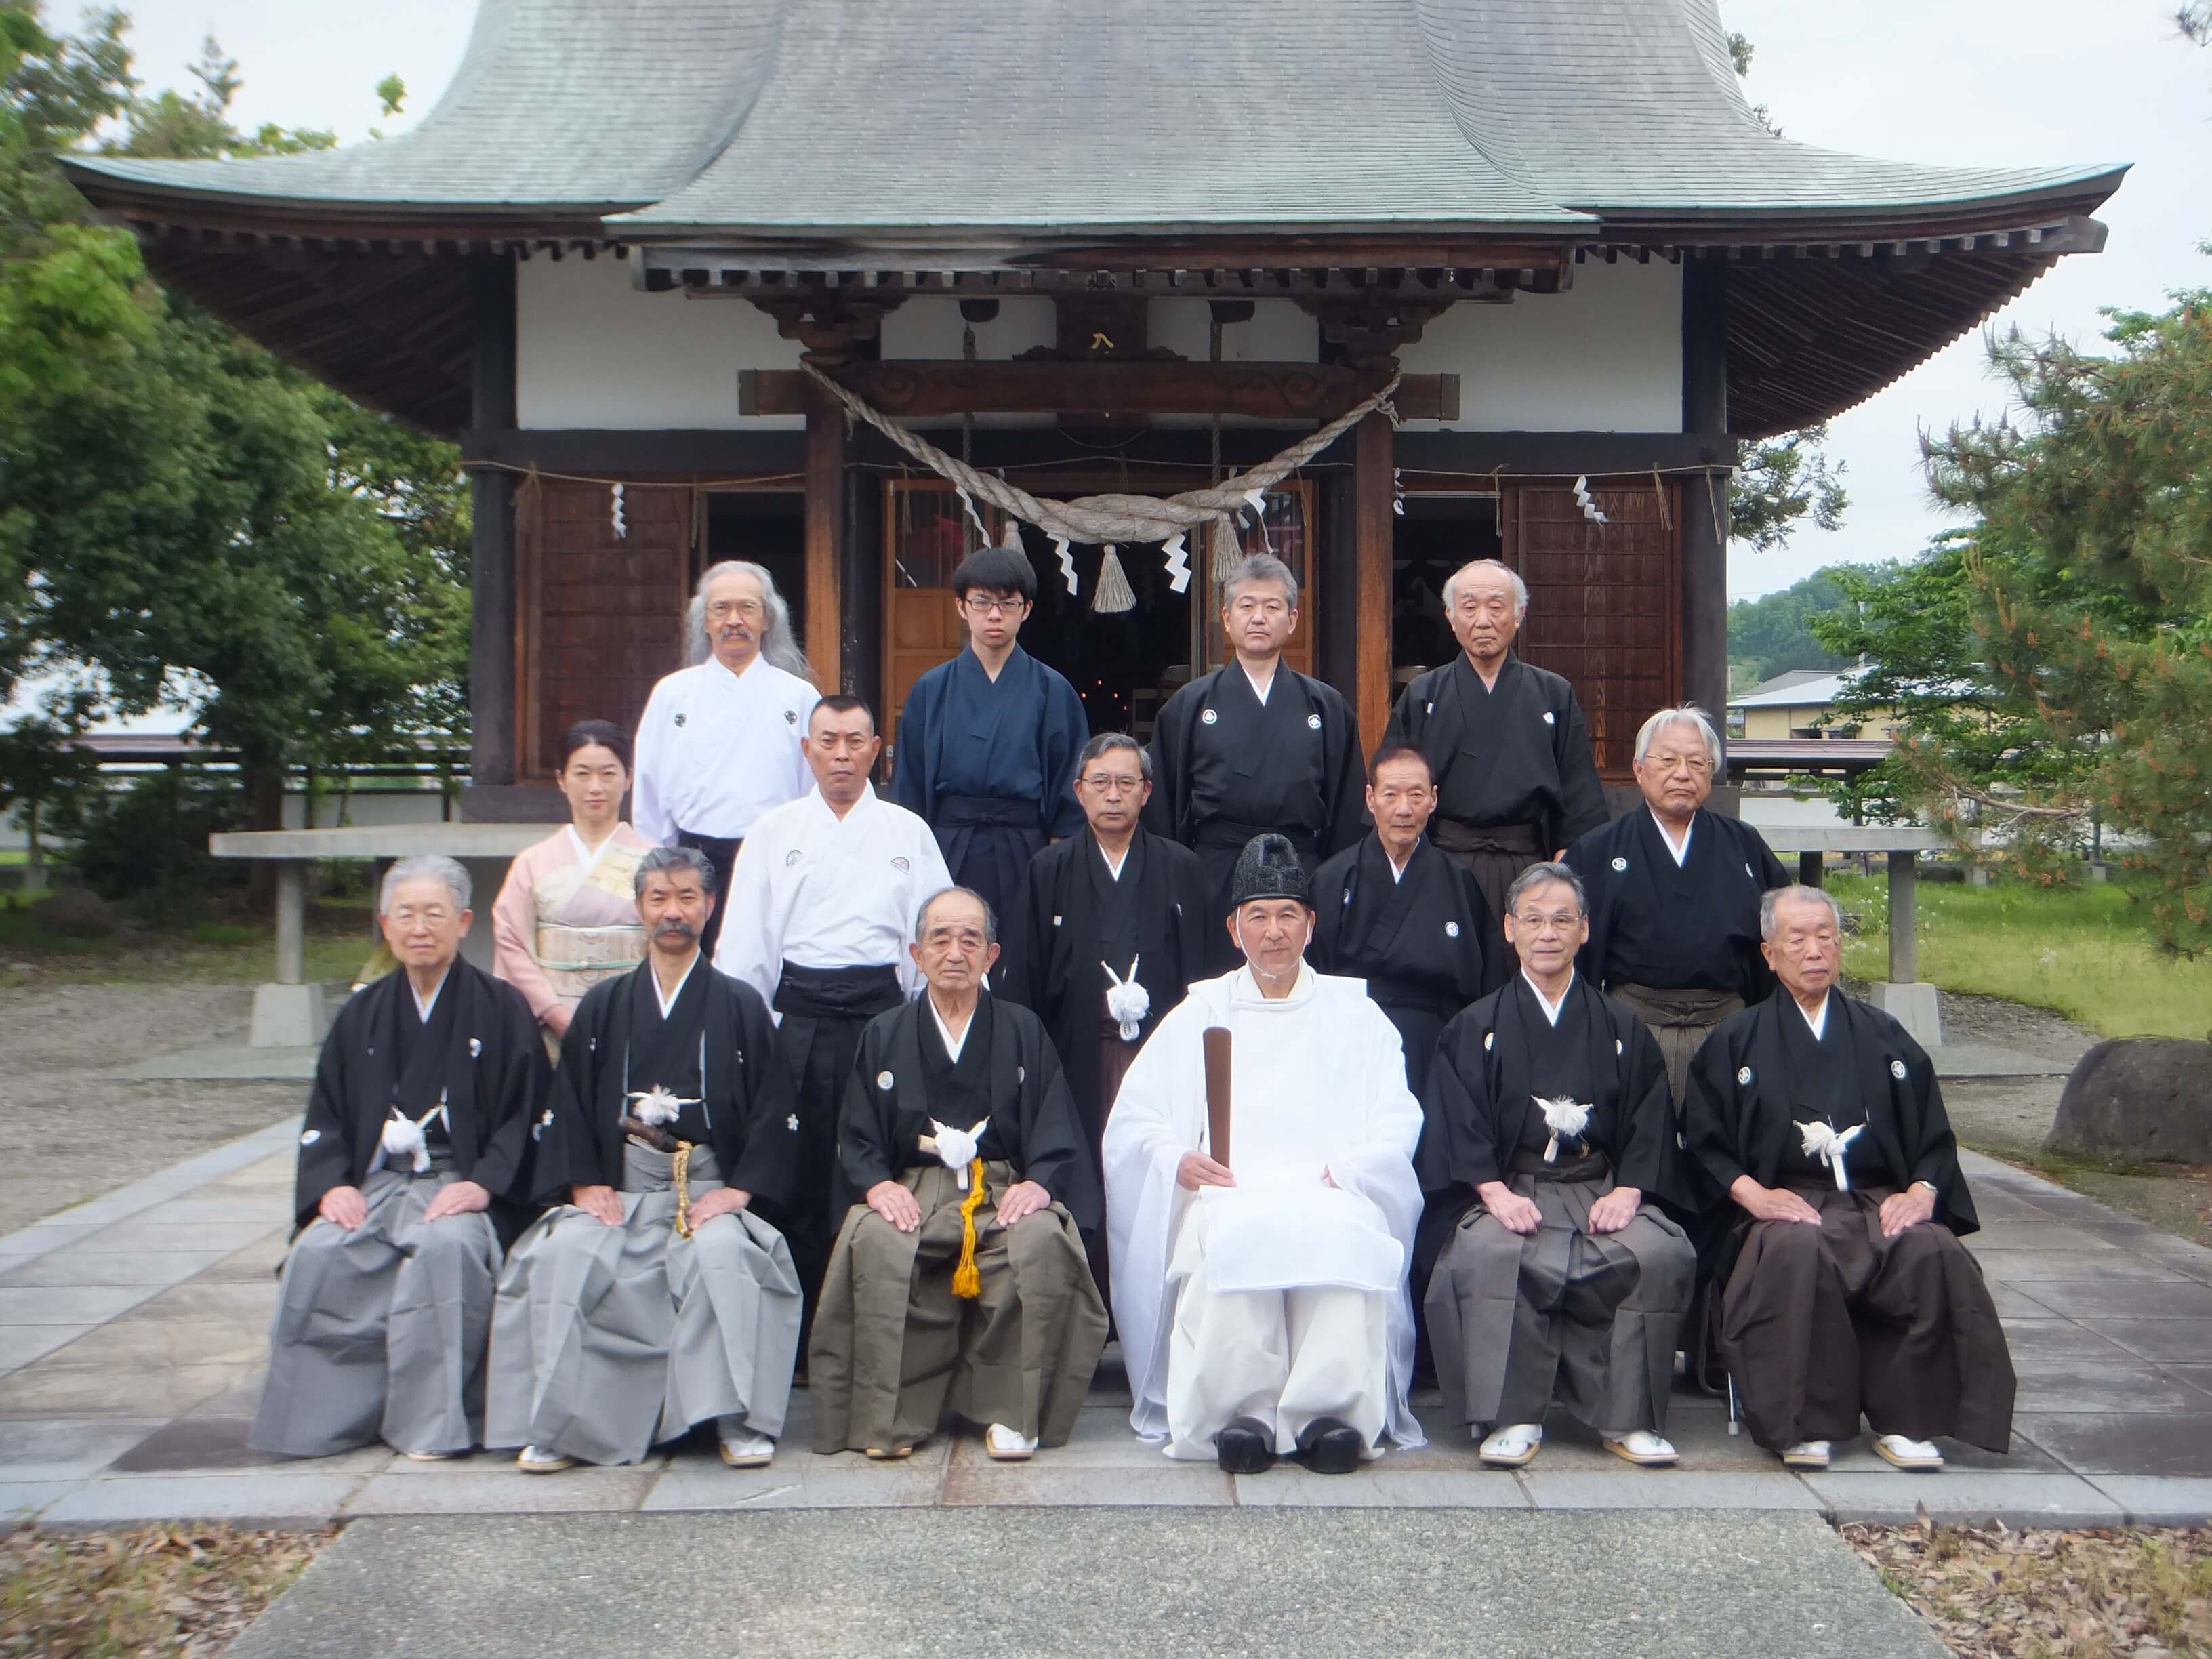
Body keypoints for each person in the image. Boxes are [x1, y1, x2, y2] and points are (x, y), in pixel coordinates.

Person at [1104, 834, 1424, 1475]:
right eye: (1258, 916)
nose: (1273, 932)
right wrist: (1176, 1160)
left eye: (1287, 915)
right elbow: (1136, 1119)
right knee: (1230, 1230)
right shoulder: (1203, 1011)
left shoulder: (1355, 1015)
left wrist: (1353, 1172)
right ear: (1233, 928)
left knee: (1340, 1231)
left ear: (1311, 924)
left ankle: (1329, 1415)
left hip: (1330, 1186)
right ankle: (1239, 1413)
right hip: (1232, 1187)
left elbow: (1397, 1116)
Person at [487, 846, 804, 1472]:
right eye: (658, 899)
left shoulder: (740, 1005)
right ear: (638, 909)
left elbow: (777, 1109)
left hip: (708, 1189)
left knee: (726, 1256)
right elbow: (570, 1099)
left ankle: (734, 1418)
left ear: (710, 908)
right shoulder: (604, 1006)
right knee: (566, 1254)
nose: (673, 912)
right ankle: (560, 1424)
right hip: (623, 1188)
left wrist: (739, 1193)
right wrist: (583, 1182)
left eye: (687, 898)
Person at [1683, 886, 2017, 1472]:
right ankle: (1804, 1422)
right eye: (1797, 939)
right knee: (1794, 1250)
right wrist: (1752, 1194)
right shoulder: (1736, 1040)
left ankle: (1909, 1421)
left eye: (1826, 937)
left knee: (1927, 1248)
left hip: (1875, 1196)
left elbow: (1932, 1135)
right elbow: (1705, 1142)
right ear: (1769, 953)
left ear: (1840, 946)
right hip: (1783, 1200)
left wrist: (1921, 1191)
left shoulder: (1884, 1036)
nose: (1814, 951)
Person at [250, 856, 546, 1460]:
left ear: (464, 922)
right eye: (405, 914)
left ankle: (431, 1426)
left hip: (457, 1180)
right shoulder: (362, 1012)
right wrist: (331, 1184)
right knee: (319, 1253)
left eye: (434, 913)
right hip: (379, 1181)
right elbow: (326, 1113)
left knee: (448, 1251)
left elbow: (530, 1113)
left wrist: (485, 1184)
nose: (419, 928)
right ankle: (322, 1421)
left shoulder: (501, 1007)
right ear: (384, 925)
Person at [811, 887, 1108, 1461]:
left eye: (970, 939)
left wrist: (1040, 1181)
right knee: (875, 1239)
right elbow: (858, 1132)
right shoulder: (885, 1033)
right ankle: (890, 1417)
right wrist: (877, 1185)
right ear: (916, 954)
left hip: (999, 1186)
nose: (955, 951)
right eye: (940, 938)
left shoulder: (1022, 1029)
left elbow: (1054, 1122)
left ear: (992, 956)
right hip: (914, 1186)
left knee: (1041, 1238)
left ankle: (1013, 1414)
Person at [1416, 861, 1695, 1469]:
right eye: (1534, 920)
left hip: (1599, 1183)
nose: (1549, 933)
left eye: (1562, 920)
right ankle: (1513, 1415)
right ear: (1510, 929)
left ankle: (1629, 1419)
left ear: (1585, 930)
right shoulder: (1477, 1026)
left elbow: (1650, 1117)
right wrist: (1491, 1191)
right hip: (1513, 1183)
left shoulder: (1621, 1026)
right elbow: (1456, 1117)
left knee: (1660, 1253)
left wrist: (1630, 1190)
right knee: (1491, 1252)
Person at [714, 695, 951, 1349]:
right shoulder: (773, 831)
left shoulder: (908, 831)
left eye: (855, 741)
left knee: (879, 1166)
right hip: (796, 1020)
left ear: (877, 751)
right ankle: (797, 1339)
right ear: (807, 751)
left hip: (882, 1018)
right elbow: (746, 947)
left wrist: (923, 1027)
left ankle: (877, 1331)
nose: (842, 755)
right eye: (829, 741)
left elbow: (935, 934)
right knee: (798, 1169)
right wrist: (750, 1031)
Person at [1144, 552, 1365, 972]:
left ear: (1292, 619)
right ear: (1227, 619)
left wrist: (1334, 881)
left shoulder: (1325, 705)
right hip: (1216, 873)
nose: (1258, 617)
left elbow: (1347, 804)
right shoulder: (1190, 705)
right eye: (1246, 606)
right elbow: (1164, 808)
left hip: (1299, 871)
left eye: (1272, 607)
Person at [1565, 705, 1790, 1107]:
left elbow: (1782, 934)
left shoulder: (1744, 845)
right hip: (1633, 1024)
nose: (1682, 773)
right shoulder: (1598, 849)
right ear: (1639, 768)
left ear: (1711, 771)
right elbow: (1571, 949)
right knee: (1643, 1149)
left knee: (1726, 1146)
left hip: (1728, 1025)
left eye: (1696, 762)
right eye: (1667, 760)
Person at [1382, 559, 1607, 921]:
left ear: (1518, 615)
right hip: (1441, 863)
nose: (1483, 621)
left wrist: (1564, 874)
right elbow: (1394, 786)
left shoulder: (1553, 694)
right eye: (1469, 608)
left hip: (1528, 867)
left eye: (1496, 607)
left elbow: (1578, 797)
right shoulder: (1423, 695)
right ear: (1452, 618)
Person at [889, 540, 1090, 923]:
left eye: (1007, 603)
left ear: (1026, 609)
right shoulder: (931, 690)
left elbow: (1070, 786)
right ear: (962, 607)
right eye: (982, 602)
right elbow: (910, 784)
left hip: (1025, 846)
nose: (994, 615)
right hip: (947, 845)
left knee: (1022, 953)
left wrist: (1055, 860)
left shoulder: (1052, 690)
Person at [632, 560, 819, 956]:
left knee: (766, 968)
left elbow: (813, 791)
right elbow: (649, 789)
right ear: (704, 621)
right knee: (692, 968)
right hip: (692, 859)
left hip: (774, 858)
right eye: (721, 609)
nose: (734, 620)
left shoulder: (799, 698)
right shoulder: (673, 694)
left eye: (747, 608)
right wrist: (657, 865)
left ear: (768, 619)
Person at [1311, 743, 1503, 1099]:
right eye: (1390, 795)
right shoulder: (1334, 879)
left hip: (1437, 1045)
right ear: (1370, 799)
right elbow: (1313, 975)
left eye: (1416, 796)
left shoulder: (1457, 880)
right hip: (1354, 1041)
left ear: (1433, 799)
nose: (1403, 809)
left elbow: (1487, 980)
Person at [490, 719, 656, 1051]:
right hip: (549, 1025)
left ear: (628, 778)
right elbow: (512, 943)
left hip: (633, 1020)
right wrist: (555, 1014)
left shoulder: (654, 862)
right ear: (561, 780)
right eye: (582, 774)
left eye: (608, 773)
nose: (595, 787)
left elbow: (667, 942)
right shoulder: (532, 862)